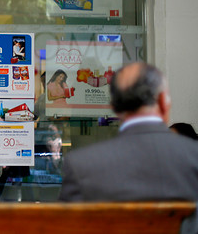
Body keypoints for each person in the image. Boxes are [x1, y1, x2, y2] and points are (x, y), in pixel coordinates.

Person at [59, 62, 198, 202]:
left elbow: (66, 223)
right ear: (163, 102)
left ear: (114, 107)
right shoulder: (193, 157)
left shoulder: (81, 166)